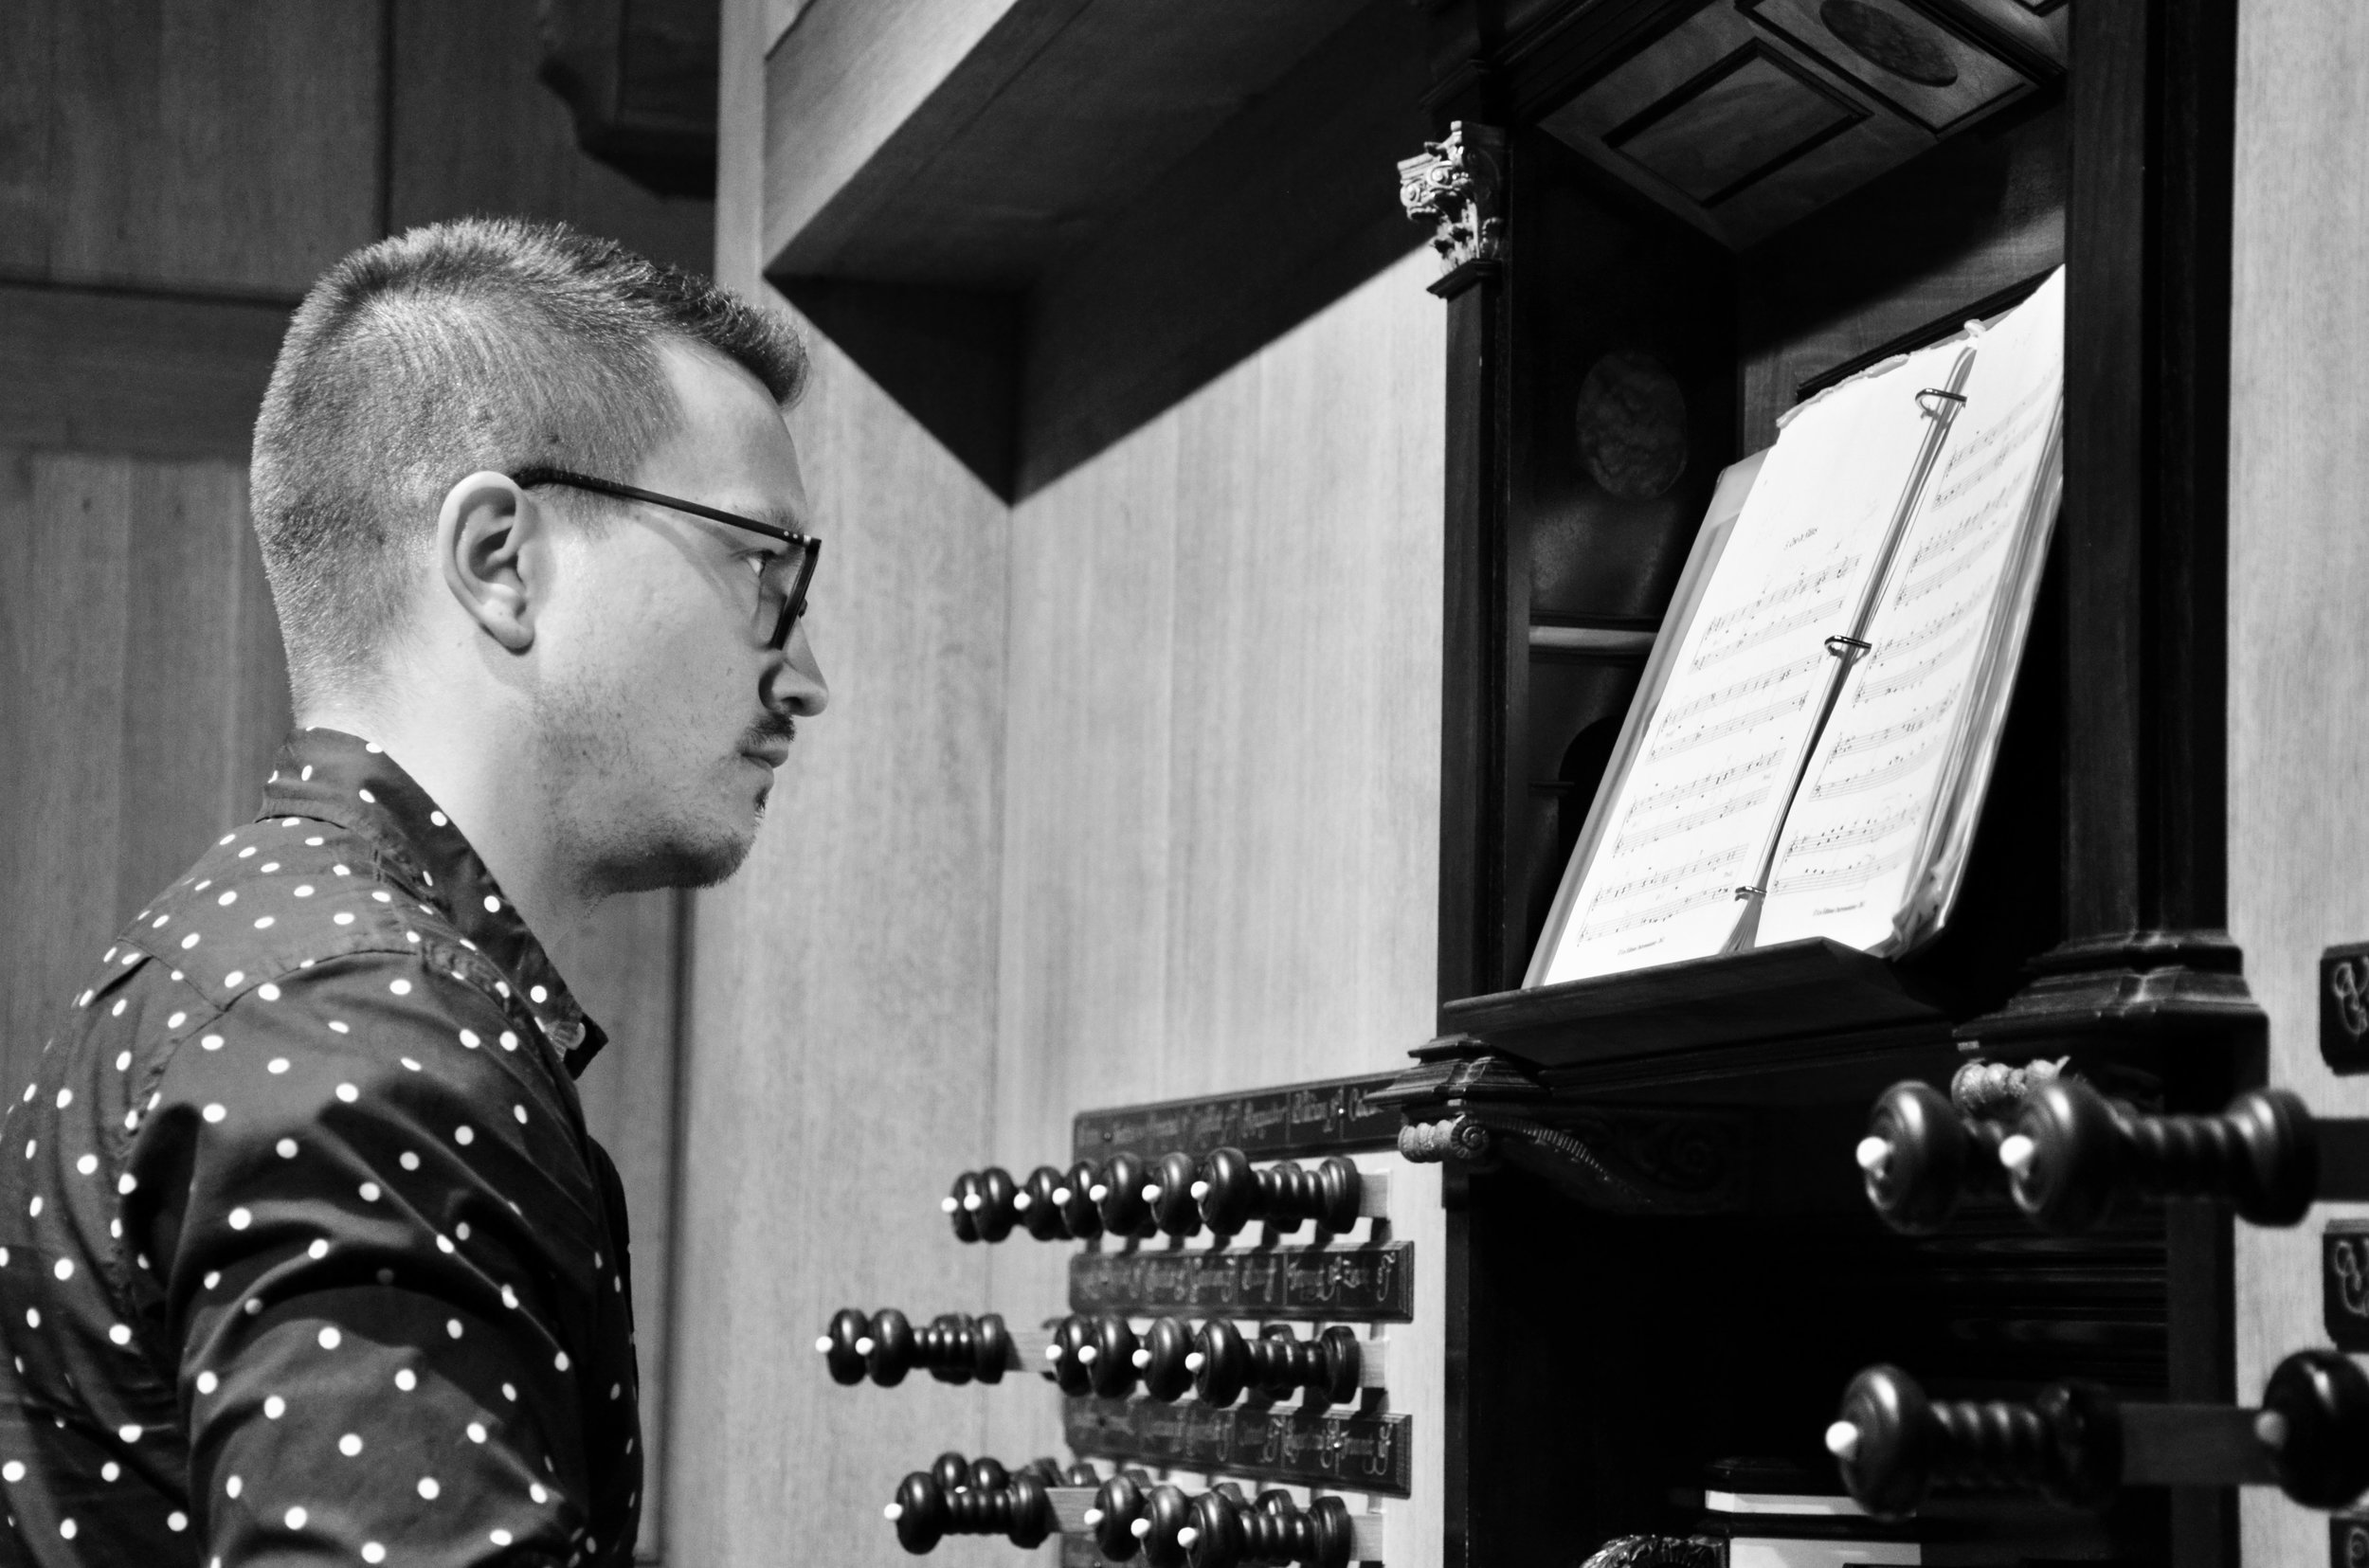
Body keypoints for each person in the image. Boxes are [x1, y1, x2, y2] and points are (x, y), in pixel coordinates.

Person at [0, 218, 828, 1567]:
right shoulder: (360, 1039)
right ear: (502, 560)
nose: (804, 677)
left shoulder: (270, 969)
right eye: (764, 571)